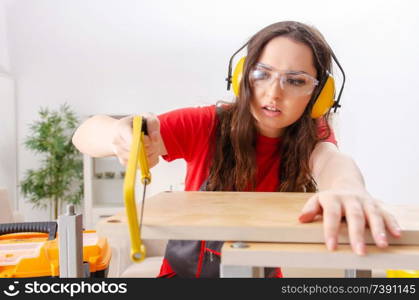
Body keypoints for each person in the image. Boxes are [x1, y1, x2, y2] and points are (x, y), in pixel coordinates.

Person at [72, 21, 401, 278]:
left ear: (320, 95)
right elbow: (85, 134)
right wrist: (117, 132)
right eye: (262, 74)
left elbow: (332, 162)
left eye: (296, 80)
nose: (273, 93)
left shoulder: (313, 135)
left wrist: (347, 189)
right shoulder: (206, 123)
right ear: (243, 76)